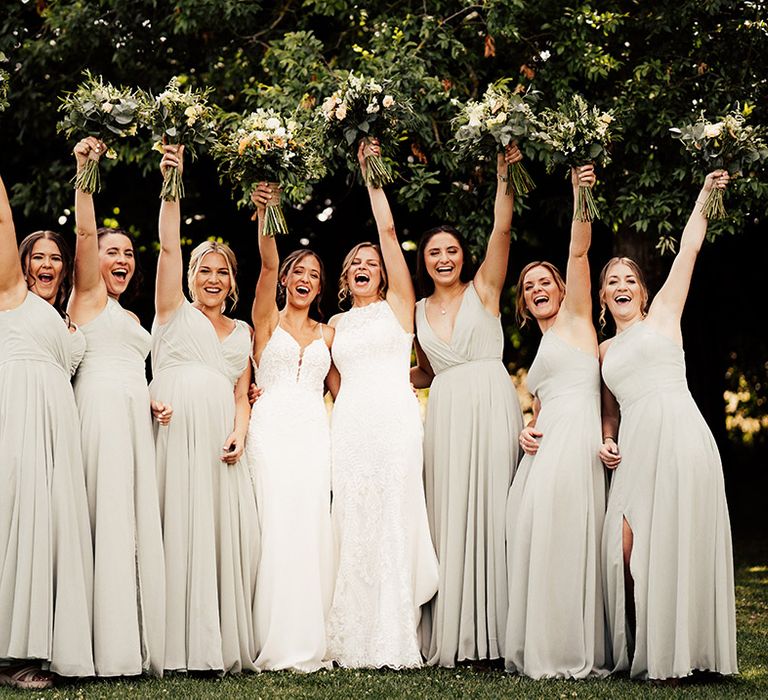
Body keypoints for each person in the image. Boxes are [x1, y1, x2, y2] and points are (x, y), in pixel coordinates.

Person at [598, 170, 738, 680]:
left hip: (679, 433)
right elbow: (609, 411)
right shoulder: (603, 351)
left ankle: (689, 655)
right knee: (626, 546)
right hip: (637, 444)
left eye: (629, 279)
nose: (621, 286)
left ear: (643, 289)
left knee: (682, 536)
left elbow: (688, 251)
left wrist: (705, 195)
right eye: (612, 281)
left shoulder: (663, 316)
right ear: (602, 297)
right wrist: (608, 441)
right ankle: (650, 646)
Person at [325, 140, 438, 669]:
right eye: (357, 264)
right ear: (346, 279)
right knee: (352, 518)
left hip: (394, 423)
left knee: (393, 516)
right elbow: (323, 383)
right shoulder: (335, 326)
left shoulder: (400, 308)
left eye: (373, 262)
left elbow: (390, 234)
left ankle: (395, 634)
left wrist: (373, 176)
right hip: (349, 429)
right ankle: (348, 633)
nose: (366, 265)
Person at [411, 144, 524, 667]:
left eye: (451, 251)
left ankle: (499, 636)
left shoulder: (485, 288)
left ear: (462, 256)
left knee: (496, 510)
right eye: (434, 253)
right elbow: (425, 373)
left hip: (489, 401)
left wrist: (505, 176)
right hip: (448, 413)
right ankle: (457, 632)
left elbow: (501, 232)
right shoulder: (414, 311)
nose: (443, 259)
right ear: (425, 261)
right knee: (449, 515)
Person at [150, 145, 258, 674]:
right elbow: (168, 250)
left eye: (221, 272)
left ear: (232, 281)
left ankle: (209, 644)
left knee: (213, 533)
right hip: (173, 433)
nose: (212, 278)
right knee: (173, 526)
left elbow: (242, 393)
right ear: (190, 276)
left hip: (218, 439)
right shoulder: (171, 309)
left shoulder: (244, 333)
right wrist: (173, 183)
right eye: (203, 270)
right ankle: (168, 645)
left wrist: (240, 432)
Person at [67, 137, 170, 677]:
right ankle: (93, 644)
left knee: (129, 525)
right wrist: (86, 171)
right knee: (97, 521)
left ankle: (128, 641)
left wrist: (152, 399)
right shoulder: (87, 299)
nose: (123, 259)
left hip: (134, 425)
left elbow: (140, 370)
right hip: (99, 421)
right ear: (93, 262)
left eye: (130, 253)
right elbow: (84, 231)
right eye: (114, 252)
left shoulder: (133, 320)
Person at [504, 165, 608, 678]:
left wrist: (579, 193)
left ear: (561, 289)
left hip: (579, 441)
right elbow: (541, 402)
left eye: (545, 282)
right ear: (524, 302)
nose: (538, 288)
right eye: (529, 286)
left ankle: (570, 647)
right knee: (533, 534)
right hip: (545, 449)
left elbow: (580, 251)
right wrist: (528, 428)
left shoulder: (576, 318)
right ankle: (543, 640)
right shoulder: (541, 343)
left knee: (568, 536)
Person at [0, 174, 94, 688]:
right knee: (20, 516)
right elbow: (2, 220)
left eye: (55, 257)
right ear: (22, 263)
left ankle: (38, 650)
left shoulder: (68, 316)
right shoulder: (12, 296)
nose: (47, 264)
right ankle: (15, 657)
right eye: (38, 256)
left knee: (52, 527)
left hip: (60, 425)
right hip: (19, 413)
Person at [246, 183, 334, 672]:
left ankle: (308, 633)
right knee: (274, 526)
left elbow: (349, 388)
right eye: (297, 271)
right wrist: (268, 214)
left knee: (309, 526)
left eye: (314, 275)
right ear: (285, 280)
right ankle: (270, 635)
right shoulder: (265, 321)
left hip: (313, 436)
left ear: (321, 288)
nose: (305, 278)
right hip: (271, 431)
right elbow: (263, 264)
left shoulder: (329, 334)